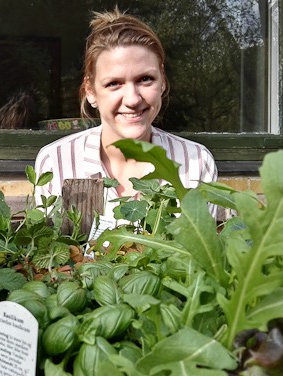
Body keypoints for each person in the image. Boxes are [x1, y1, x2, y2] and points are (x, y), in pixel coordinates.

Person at [34, 7, 217, 223]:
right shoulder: (56, 161)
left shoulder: (196, 162)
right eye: (114, 83)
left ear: (163, 82)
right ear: (90, 91)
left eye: (145, 79)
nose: (132, 99)